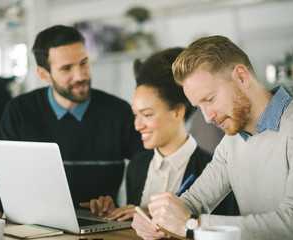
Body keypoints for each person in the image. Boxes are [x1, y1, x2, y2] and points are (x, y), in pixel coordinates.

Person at [0, 25, 144, 227]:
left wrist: (135, 204)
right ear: (44, 75)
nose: (80, 76)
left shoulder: (119, 111)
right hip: (33, 226)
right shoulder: (19, 110)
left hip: (101, 224)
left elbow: (147, 162)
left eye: (84, 63)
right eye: (66, 68)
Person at [131, 35, 293, 240]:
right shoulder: (231, 143)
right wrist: (155, 219)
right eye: (199, 107)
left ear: (241, 76)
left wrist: (192, 225)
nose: (207, 117)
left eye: (210, 99)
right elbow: (195, 199)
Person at [79, 47, 239, 221]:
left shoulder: (212, 170)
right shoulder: (137, 165)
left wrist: (152, 216)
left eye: (147, 115)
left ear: (178, 111)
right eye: (135, 115)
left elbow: (222, 230)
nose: (137, 125)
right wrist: (115, 212)